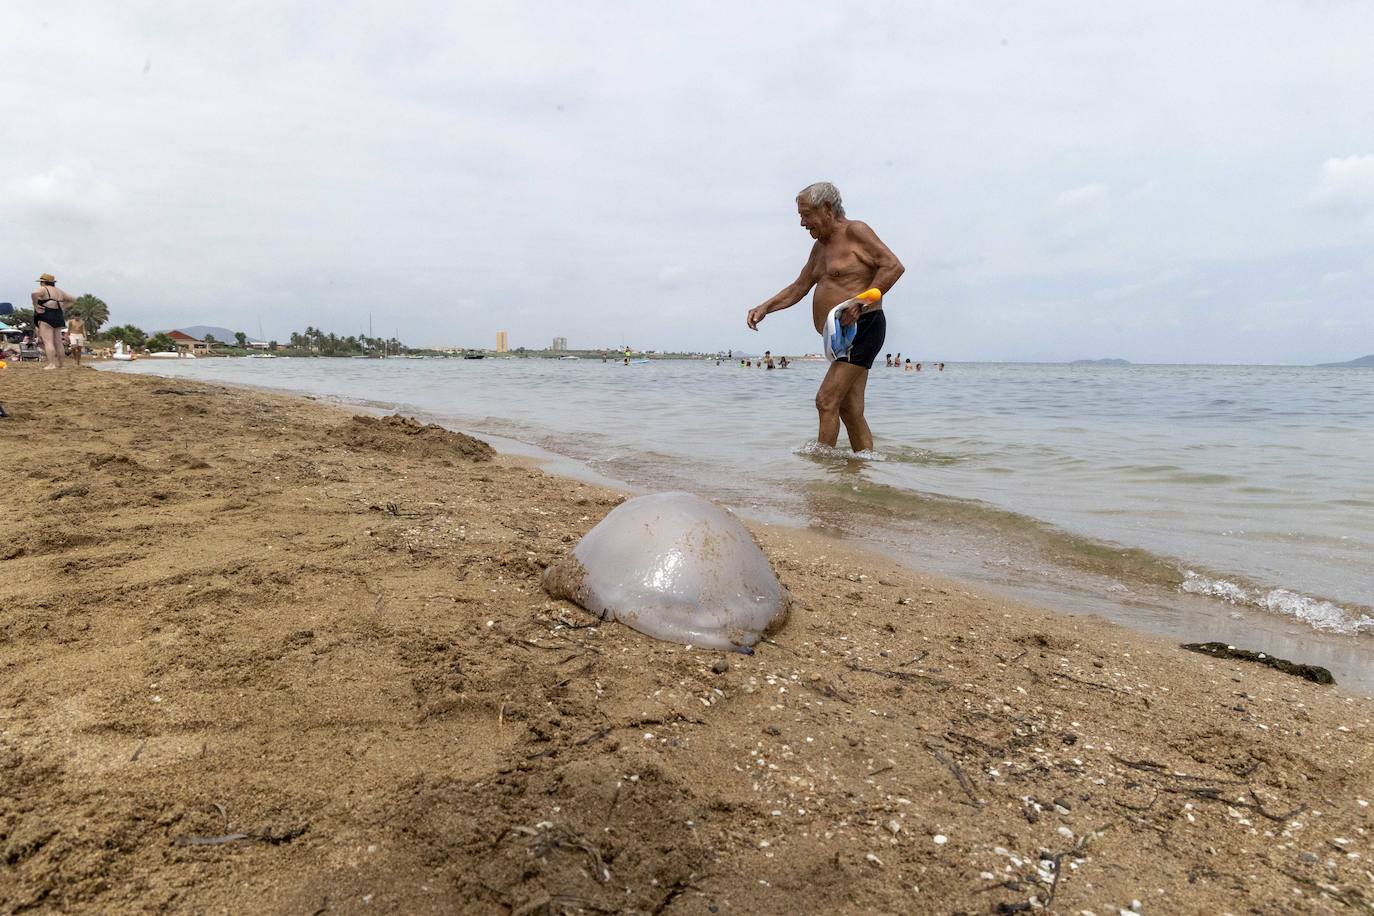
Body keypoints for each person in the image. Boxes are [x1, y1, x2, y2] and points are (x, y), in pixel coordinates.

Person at [747, 182, 904, 452]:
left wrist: (860, 303)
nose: (802, 223)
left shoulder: (856, 231)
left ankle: (824, 471)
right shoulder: (820, 248)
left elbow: (893, 266)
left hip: (863, 326)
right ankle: (865, 467)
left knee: (826, 400)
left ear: (827, 209)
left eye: (806, 214)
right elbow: (799, 287)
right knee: (850, 409)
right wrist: (765, 307)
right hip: (840, 336)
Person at [31, 273, 73, 370]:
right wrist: (63, 307)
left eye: (41, 282)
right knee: (58, 342)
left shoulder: (43, 289)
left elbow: (34, 294)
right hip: (58, 316)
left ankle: (51, 364)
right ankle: (62, 365)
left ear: (43, 282)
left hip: (46, 315)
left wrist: (35, 305)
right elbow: (73, 300)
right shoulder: (60, 291)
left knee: (48, 342)